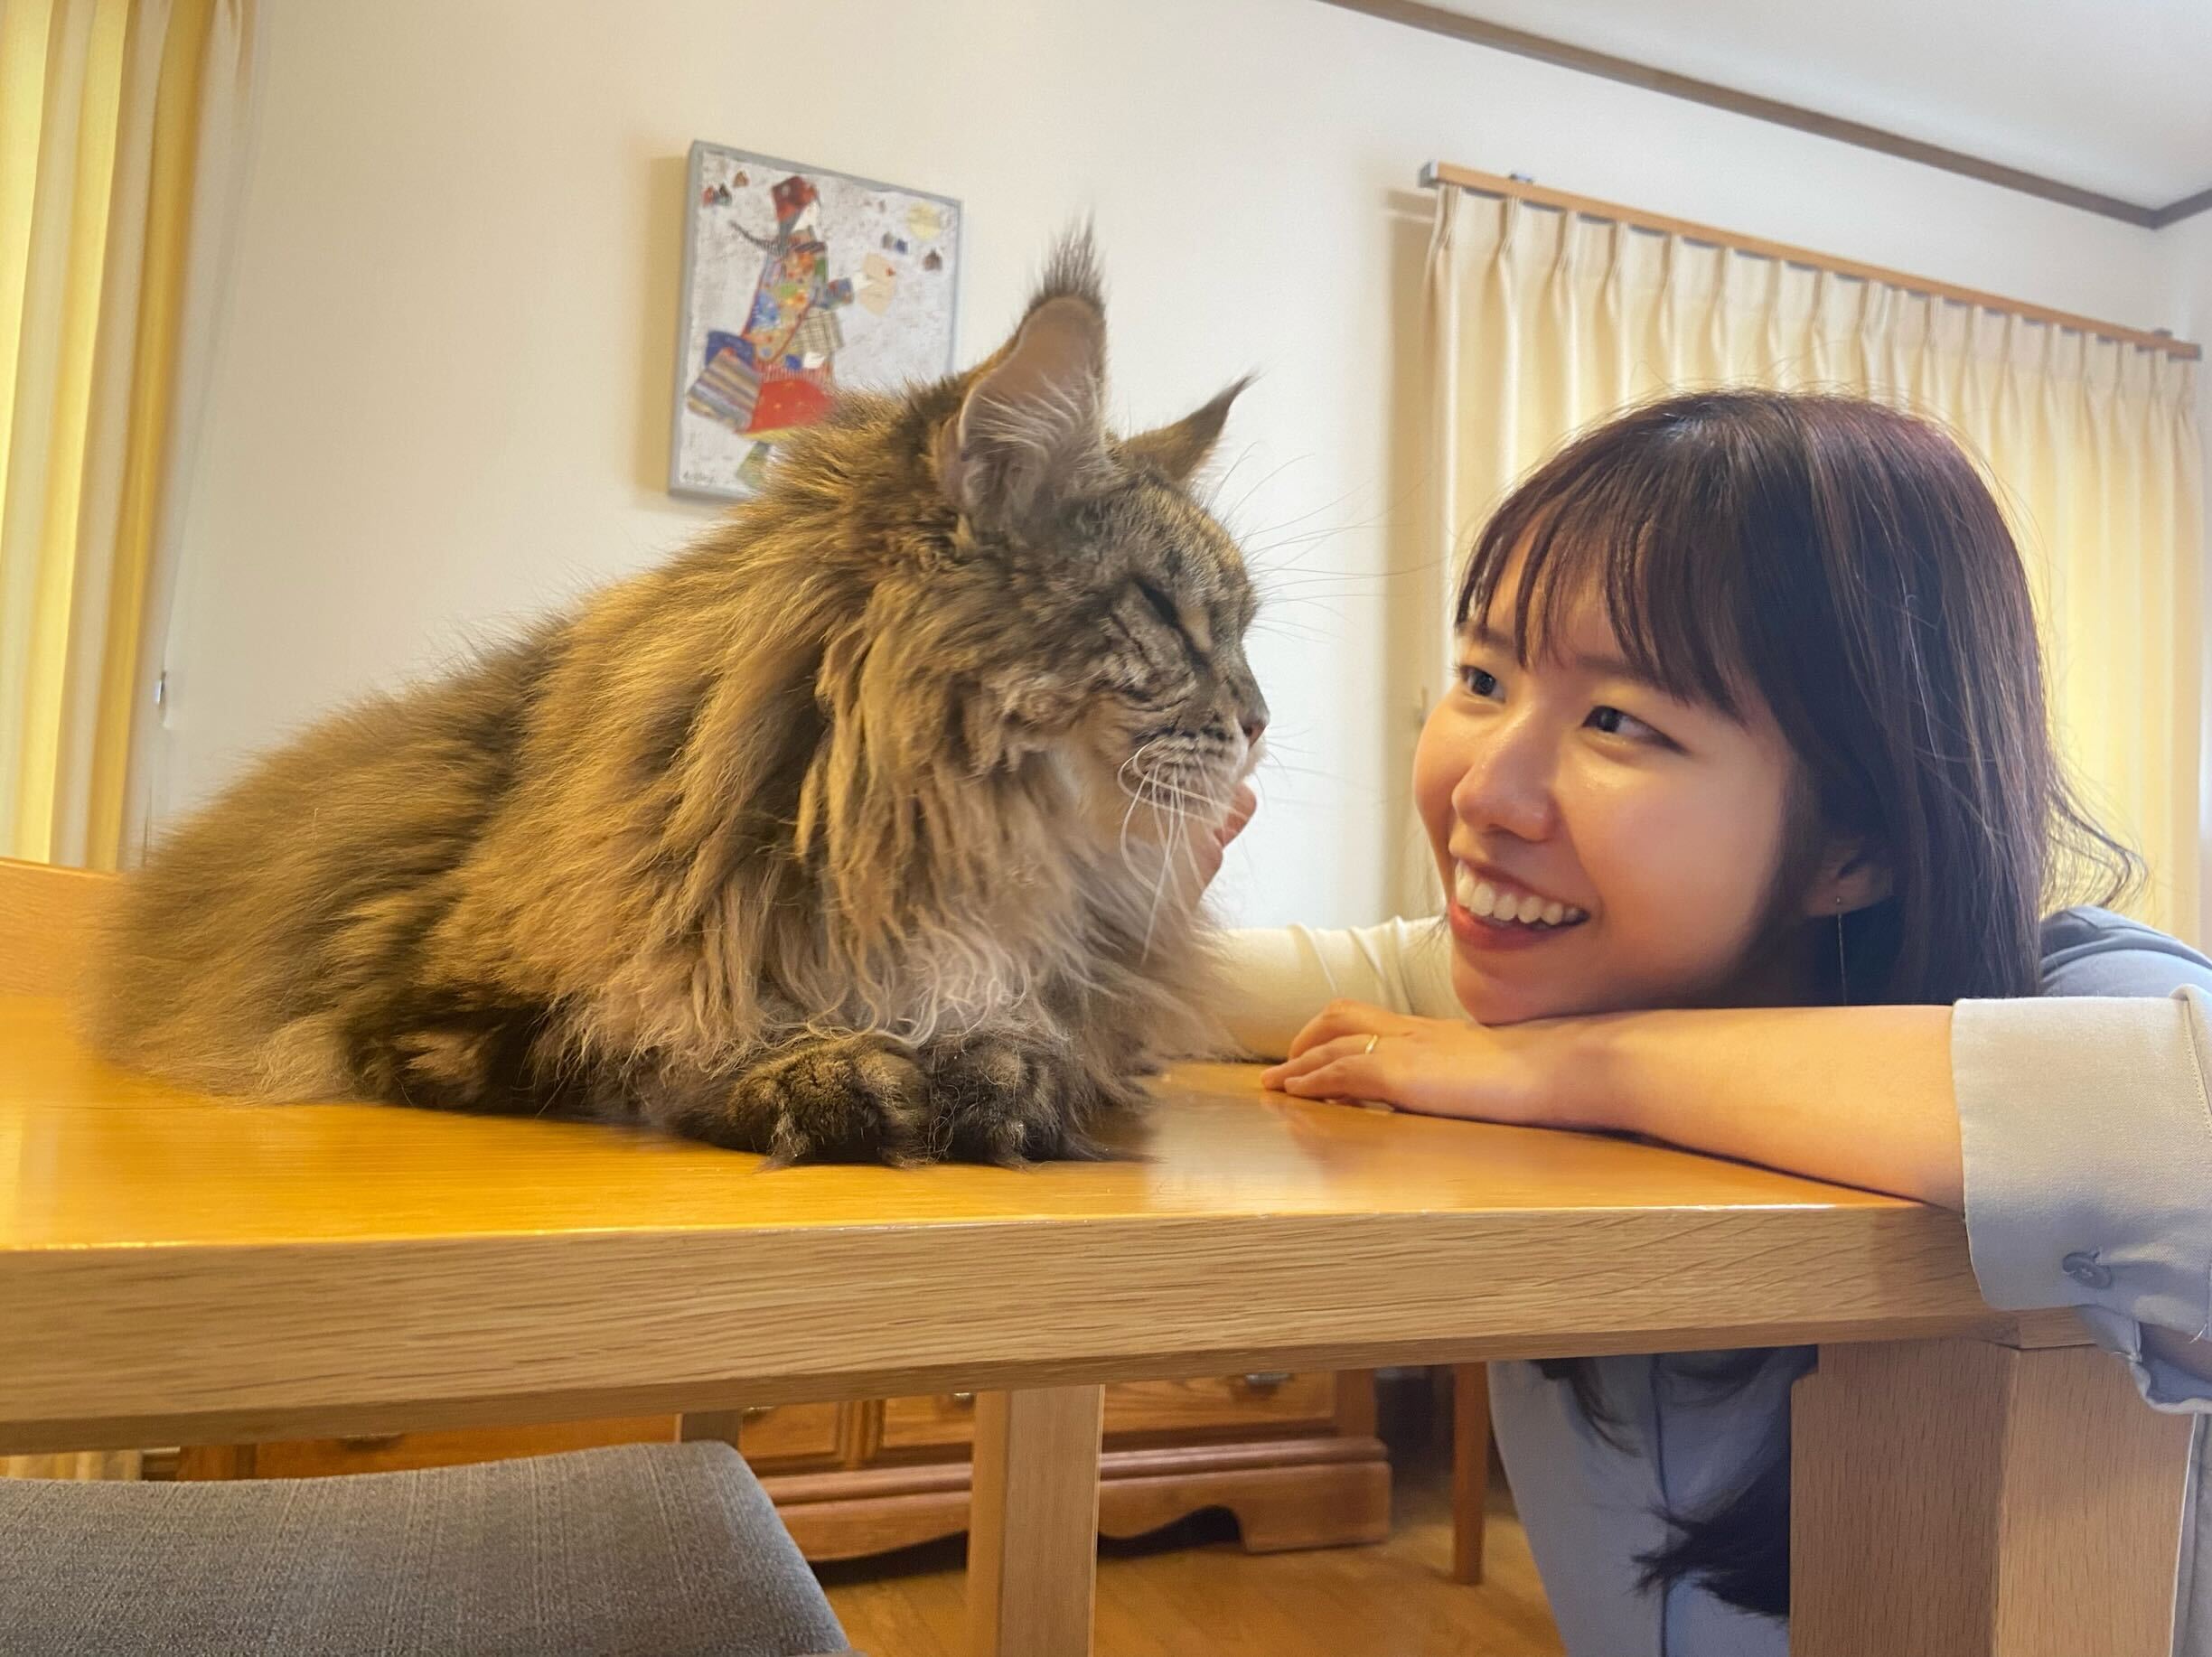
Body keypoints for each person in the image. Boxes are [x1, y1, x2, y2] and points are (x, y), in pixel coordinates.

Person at [1204, 389, 2212, 1654]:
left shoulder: (2071, 998)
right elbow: (1164, 990)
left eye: (1618, 720)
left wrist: (1580, 1069)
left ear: (1855, 846)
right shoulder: (1497, 993)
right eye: (1482, 677)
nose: (1486, 789)